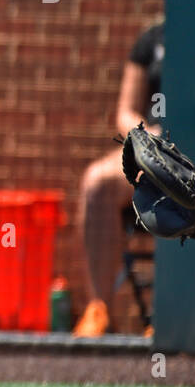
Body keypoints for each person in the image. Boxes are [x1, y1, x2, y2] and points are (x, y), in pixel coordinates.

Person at [74, 21, 164, 337]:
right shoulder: (153, 39)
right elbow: (126, 111)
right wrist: (149, 138)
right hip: (155, 152)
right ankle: (100, 310)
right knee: (97, 182)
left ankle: (172, 318)